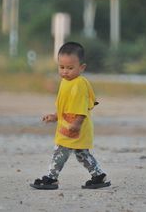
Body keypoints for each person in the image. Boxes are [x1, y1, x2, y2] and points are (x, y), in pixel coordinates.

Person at [30, 41, 110, 190]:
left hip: (75, 128)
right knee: (82, 154)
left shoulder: (79, 84)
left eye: (70, 68)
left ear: (82, 67)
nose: (65, 71)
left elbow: (81, 108)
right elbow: (65, 105)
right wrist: (55, 116)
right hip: (68, 125)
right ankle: (99, 176)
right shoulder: (65, 81)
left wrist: (77, 124)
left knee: (60, 152)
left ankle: (51, 178)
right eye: (62, 67)